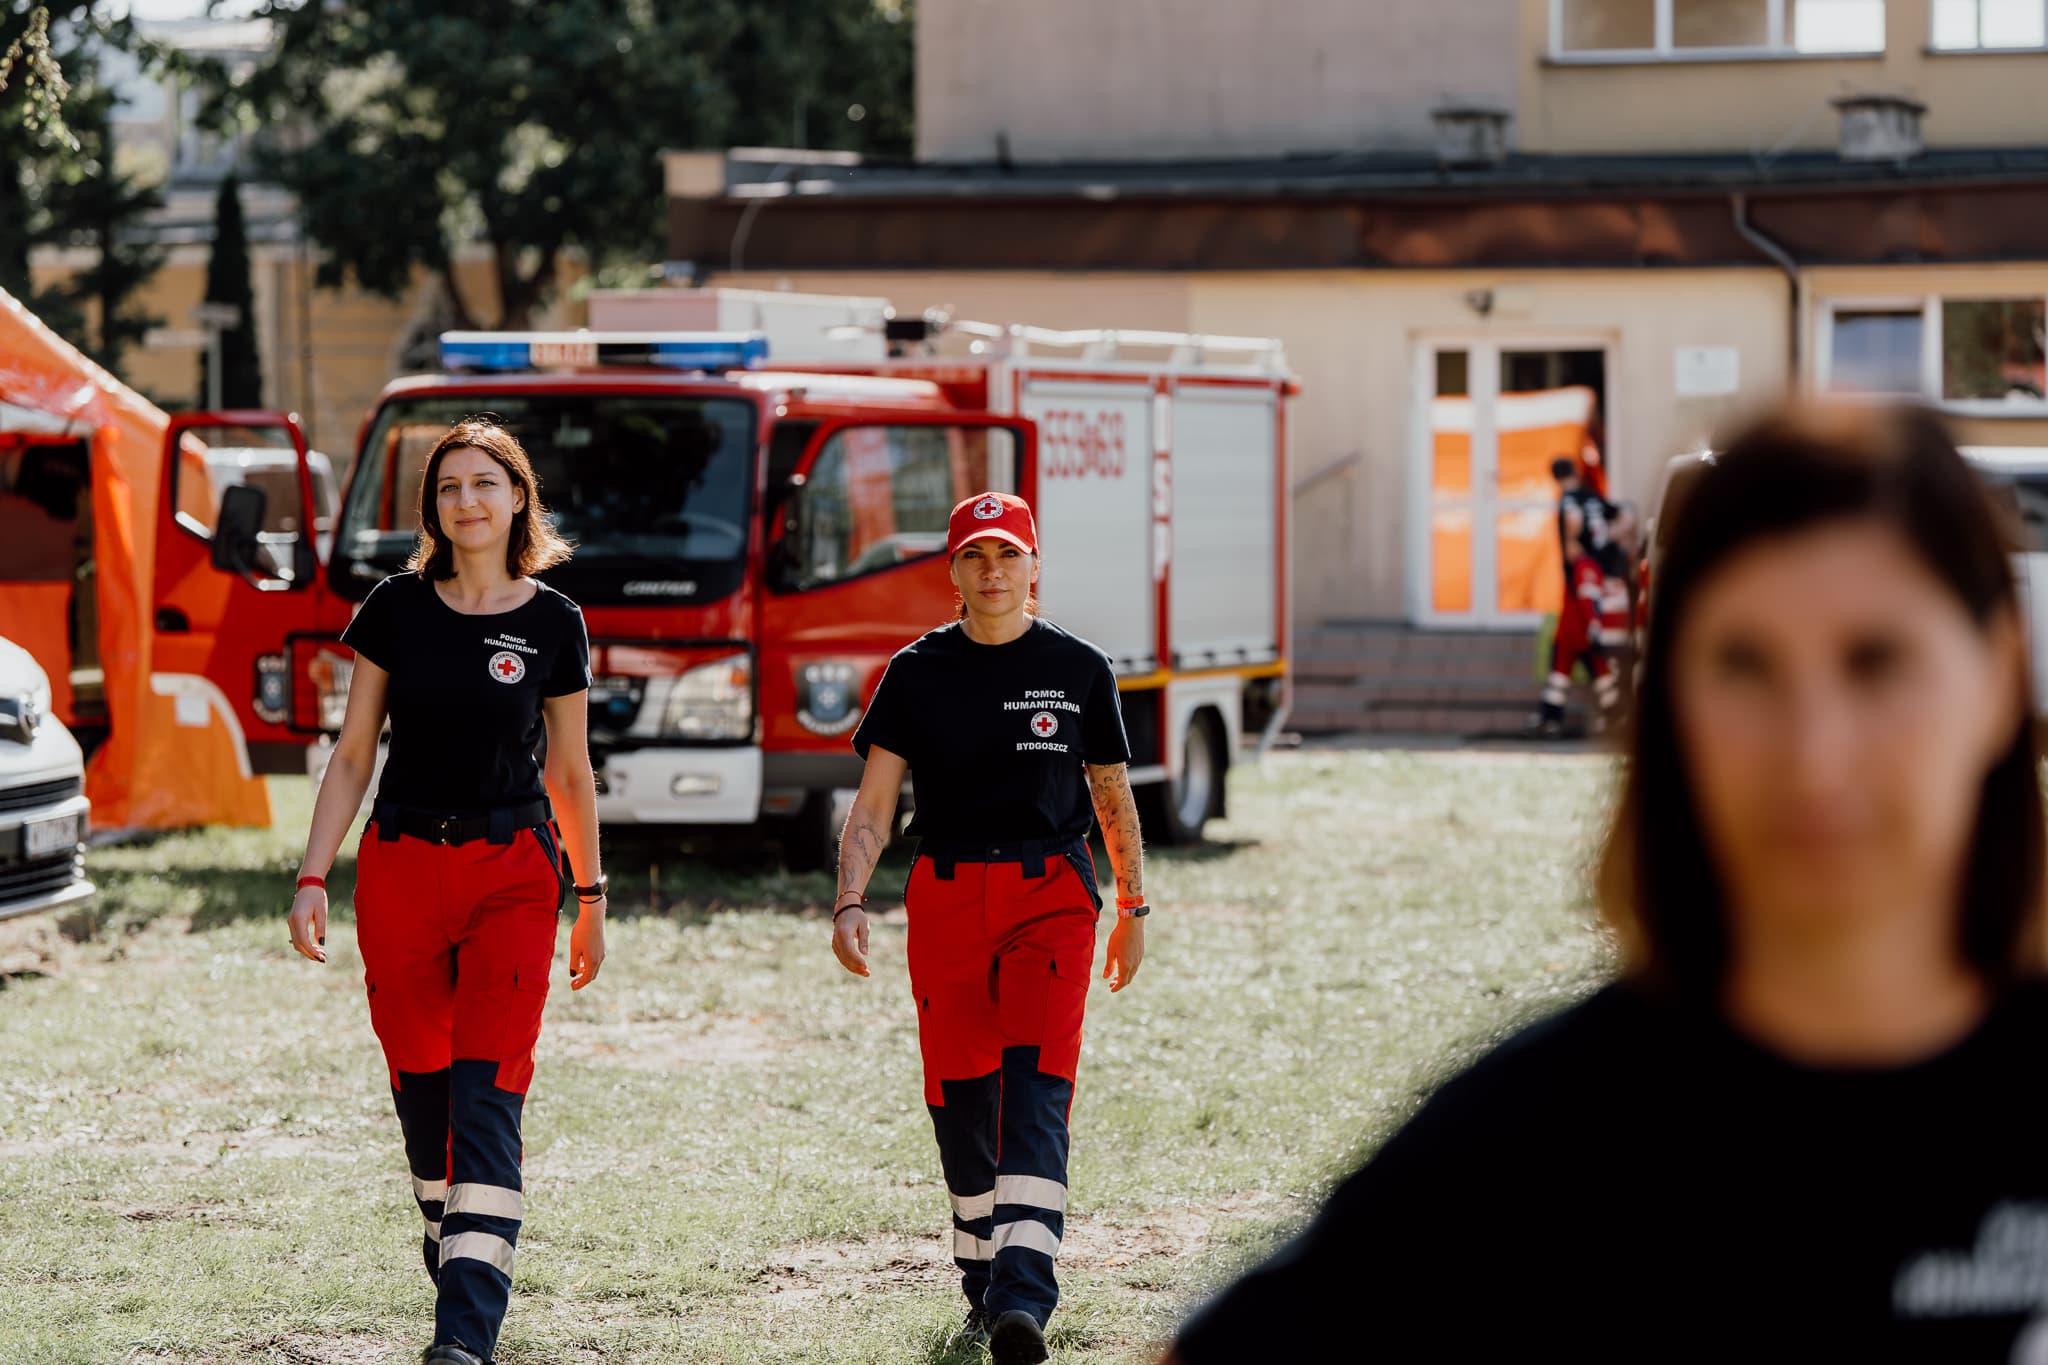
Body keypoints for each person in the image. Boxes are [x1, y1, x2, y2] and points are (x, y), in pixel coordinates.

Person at [1169, 401, 2048, 1359]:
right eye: (1744, 665)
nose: (1815, 755)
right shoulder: (1534, 1144)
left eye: (1877, 662)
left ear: (2001, 675)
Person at [286, 418, 606, 1365]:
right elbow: (354, 754)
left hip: (513, 872)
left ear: (518, 497)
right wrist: (312, 874)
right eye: (450, 486)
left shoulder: (554, 621)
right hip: (400, 865)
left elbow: (572, 771)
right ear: (433, 507)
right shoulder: (395, 607)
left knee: (489, 1089)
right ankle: (453, 1226)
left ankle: (464, 1336)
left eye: (485, 482)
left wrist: (590, 896)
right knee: (424, 1090)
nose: (467, 500)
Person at [831, 491, 1149, 1365]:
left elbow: (1111, 795)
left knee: (1038, 1089)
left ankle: (1023, 1293)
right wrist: (850, 897)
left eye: (1009, 553)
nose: (993, 570)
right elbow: (875, 804)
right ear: (954, 571)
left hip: (1051, 895)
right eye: (975, 555)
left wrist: (1132, 906)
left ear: (1034, 565)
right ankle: (983, 1282)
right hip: (945, 896)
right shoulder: (916, 671)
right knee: (962, 1098)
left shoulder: (1079, 667)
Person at [1538, 455, 1622, 733]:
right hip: (1601, 575)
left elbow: (1572, 518)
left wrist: (1571, 541)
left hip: (1582, 576)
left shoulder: (1569, 500)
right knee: (1570, 648)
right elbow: (1622, 516)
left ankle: (1555, 716)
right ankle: (1552, 714)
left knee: (1579, 644)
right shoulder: (1593, 497)